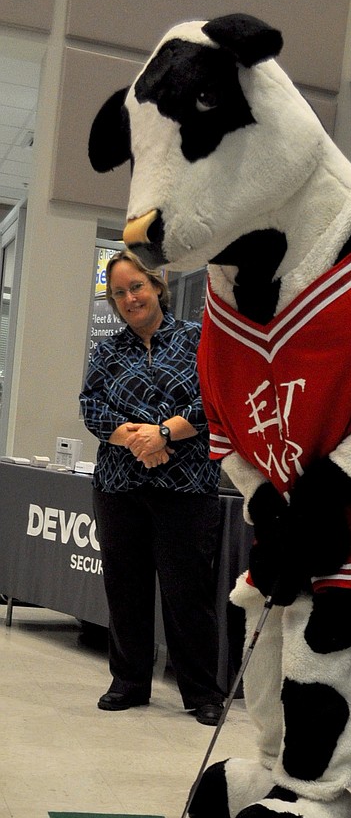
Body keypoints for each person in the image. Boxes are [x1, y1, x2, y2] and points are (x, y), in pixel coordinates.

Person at [80, 250, 224, 723]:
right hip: (120, 487)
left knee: (189, 593)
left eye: (135, 287)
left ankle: (201, 692)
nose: (129, 298)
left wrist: (164, 434)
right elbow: (93, 409)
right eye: (119, 293)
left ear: (157, 286)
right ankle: (129, 682)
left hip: (185, 487)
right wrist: (137, 440)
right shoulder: (106, 352)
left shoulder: (198, 341)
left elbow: (216, 401)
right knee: (125, 588)